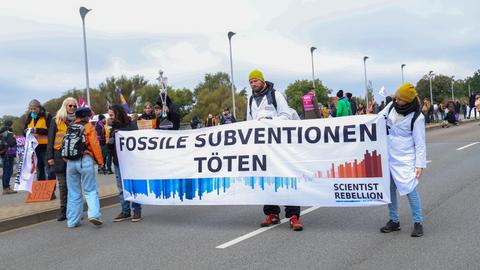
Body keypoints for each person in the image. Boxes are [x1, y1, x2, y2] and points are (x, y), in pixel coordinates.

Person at [246, 69, 303, 231]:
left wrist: (269, 120)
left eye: (255, 80)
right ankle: (272, 213)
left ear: (262, 81)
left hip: (279, 146)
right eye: (251, 82)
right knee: (266, 180)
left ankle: (293, 215)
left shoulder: (276, 95)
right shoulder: (251, 99)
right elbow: (249, 121)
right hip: (262, 147)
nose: (253, 84)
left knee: (286, 178)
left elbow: (287, 116)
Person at [378, 83, 426, 237]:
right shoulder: (391, 107)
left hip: (406, 158)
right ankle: (394, 220)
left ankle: (418, 222)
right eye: (396, 98)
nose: (396, 100)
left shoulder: (418, 117)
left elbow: (420, 143)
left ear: (407, 100)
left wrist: (419, 165)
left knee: (410, 189)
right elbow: (379, 119)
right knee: (390, 189)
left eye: (400, 99)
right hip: (389, 155)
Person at [65, 107, 104, 228]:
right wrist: (100, 161)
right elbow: (95, 145)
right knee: (90, 190)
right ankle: (93, 215)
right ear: (87, 116)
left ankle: (72, 221)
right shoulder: (88, 127)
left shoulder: (70, 127)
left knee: (73, 192)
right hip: (85, 159)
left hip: (71, 162)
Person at [108, 105, 143, 222]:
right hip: (118, 162)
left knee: (133, 185)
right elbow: (110, 148)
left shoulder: (131, 125)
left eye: (112, 115)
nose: (110, 117)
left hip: (131, 162)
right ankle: (125, 211)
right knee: (121, 188)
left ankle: (137, 211)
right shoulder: (112, 128)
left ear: (118, 114)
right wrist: (110, 142)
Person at [46, 97, 78, 221]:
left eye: (74, 106)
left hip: (74, 155)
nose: (72, 108)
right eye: (70, 106)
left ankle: (75, 211)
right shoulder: (56, 120)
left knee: (74, 185)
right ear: (65, 106)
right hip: (58, 156)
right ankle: (63, 210)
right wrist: (49, 157)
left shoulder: (78, 120)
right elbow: (50, 139)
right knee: (63, 185)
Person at [24, 99, 53, 181]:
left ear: (39, 107)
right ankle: (42, 192)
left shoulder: (47, 116)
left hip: (46, 147)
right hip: (34, 147)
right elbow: (24, 129)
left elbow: (50, 131)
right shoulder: (30, 116)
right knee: (39, 170)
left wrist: (36, 130)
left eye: (34, 108)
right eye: (31, 109)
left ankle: (51, 191)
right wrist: (26, 132)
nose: (33, 111)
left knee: (49, 170)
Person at [1, 120, 18, 195]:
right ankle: (7, 188)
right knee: (8, 171)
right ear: (11, 125)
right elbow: (11, 143)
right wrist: (14, 139)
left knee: (5, 171)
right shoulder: (9, 133)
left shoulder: (1, 132)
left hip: (3, 153)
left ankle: (5, 187)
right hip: (9, 153)